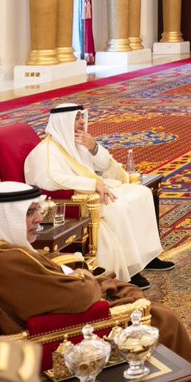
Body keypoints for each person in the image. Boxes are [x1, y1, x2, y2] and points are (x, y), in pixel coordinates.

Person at [0, 182, 191, 365]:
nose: (39, 219)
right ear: (2, 219)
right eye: (29, 213)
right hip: (61, 335)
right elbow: (79, 298)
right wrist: (88, 280)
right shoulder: (7, 262)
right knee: (164, 320)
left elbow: (43, 280)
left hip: (59, 311)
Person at [23, 103, 170, 288]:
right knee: (119, 207)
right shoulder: (46, 151)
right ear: (63, 122)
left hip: (98, 189)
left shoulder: (79, 142)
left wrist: (93, 147)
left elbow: (104, 165)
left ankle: (148, 257)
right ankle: (131, 269)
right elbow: (50, 179)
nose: (82, 121)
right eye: (76, 118)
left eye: (82, 116)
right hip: (80, 198)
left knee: (142, 193)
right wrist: (92, 184)